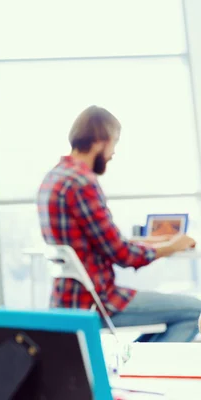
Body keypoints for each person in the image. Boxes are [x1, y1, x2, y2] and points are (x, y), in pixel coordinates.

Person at [37, 105, 201, 342]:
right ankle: (147, 372)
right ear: (100, 141)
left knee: (177, 311)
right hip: (97, 301)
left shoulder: (54, 177)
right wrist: (171, 247)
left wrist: (158, 240)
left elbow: (100, 240)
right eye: (114, 143)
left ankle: (141, 366)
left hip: (68, 297)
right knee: (195, 309)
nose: (113, 152)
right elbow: (122, 254)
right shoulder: (82, 182)